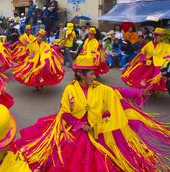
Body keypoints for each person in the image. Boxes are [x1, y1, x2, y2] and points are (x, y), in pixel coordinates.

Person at [14, 55, 170, 171]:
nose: (94, 77)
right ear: (81, 74)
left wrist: (140, 93)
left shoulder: (99, 88)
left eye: (94, 74)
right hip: (74, 129)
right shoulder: (70, 89)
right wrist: (79, 124)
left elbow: (117, 92)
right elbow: (65, 112)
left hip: (98, 129)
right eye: (91, 74)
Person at [122, 28, 170, 92]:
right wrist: (144, 58)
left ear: (162, 37)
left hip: (158, 64)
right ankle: (145, 90)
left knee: (157, 77)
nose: (156, 37)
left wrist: (165, 59)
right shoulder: (149, 44)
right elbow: (142, 52)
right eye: (155, 35)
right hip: (147, 64)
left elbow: (168, 55)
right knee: (141, 75)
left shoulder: (165, 45)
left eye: (159, 36)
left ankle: (154, 89)